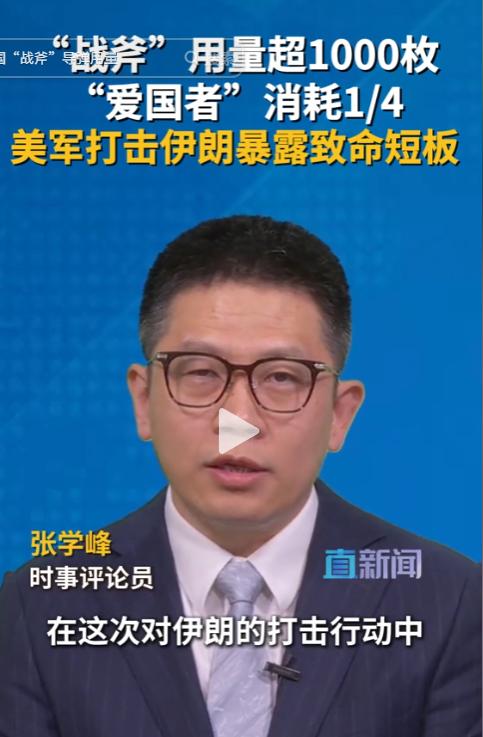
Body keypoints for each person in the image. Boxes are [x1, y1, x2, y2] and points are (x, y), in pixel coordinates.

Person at [0, 215, 480, 737]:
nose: (238, 424)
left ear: (340, 415)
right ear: (143, 400)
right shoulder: (37, 605)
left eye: (282, 378)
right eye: (201, 372)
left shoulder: (451, 602)